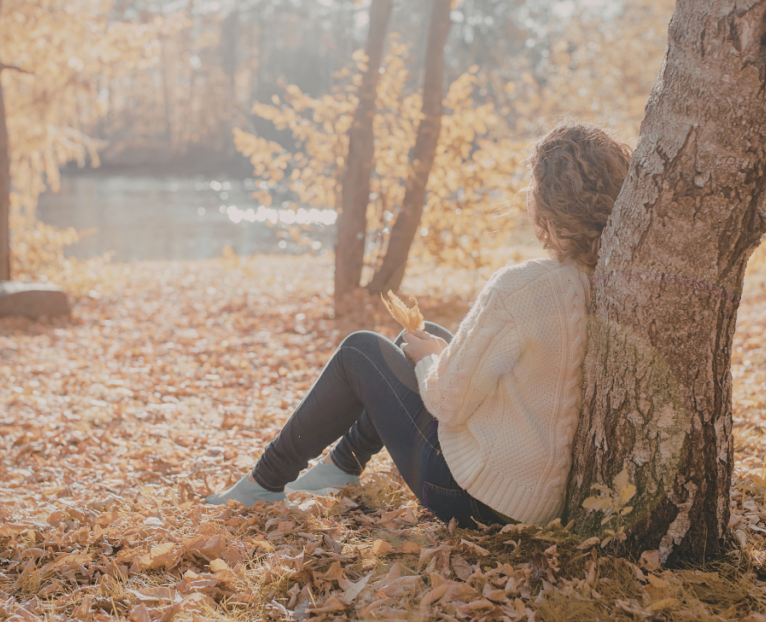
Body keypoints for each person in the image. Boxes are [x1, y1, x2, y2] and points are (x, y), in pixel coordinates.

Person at [207, 123, 632, 527]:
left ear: (545, 202)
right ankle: (341, 467)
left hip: (472, 497)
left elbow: (448, 403)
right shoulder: (611, 285)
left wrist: (429, 361)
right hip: (536, 499)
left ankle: (263, 482)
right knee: (426, 336)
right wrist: (434, 352)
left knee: (362, 351)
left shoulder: (524, 286)